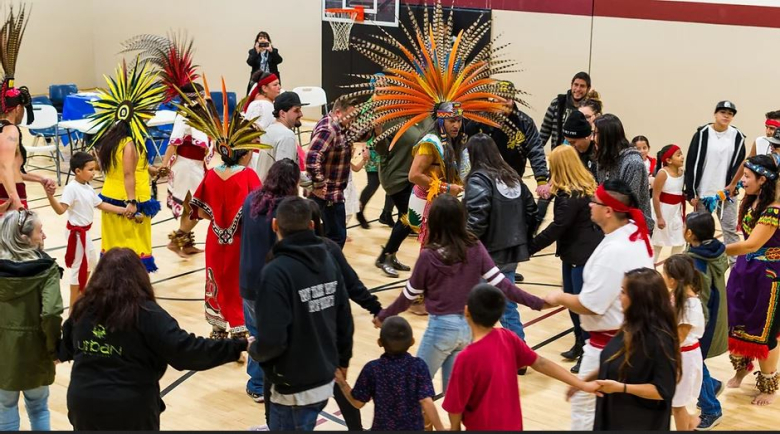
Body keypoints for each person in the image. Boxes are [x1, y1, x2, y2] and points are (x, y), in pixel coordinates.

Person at [376, 195, 550, 394]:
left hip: (440, 329)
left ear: (433, 222)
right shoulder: (474, 247)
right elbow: (503, 284)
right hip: (466, 331)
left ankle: (421, 425)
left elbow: (407, 297)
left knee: (415, 388)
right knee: (454, 394)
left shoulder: (428, 256)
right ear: (462, 219)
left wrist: (383, 315)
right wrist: (536, 302)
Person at [59, 248, 248, 430]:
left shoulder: (82, 310)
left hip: (84, 404)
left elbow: (64, 349)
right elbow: (186, 351)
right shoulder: (146, 313)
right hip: (130, 409)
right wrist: (238, 345)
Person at [544, 179, 655, 430]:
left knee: (586, 417)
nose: (589, 205)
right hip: (627, 342)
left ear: (608, 210)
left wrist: (558, 297)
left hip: (608, 346)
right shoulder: (633, 234)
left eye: (594, 201)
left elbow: (592, 304)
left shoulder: (615, 249)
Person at [249, 196, 354, 431]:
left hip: (291, 389)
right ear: (311, 226)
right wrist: (343, 359)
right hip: (324, 378)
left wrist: (254, 349)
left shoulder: (275, 272)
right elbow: (344, 317)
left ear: (275, 225)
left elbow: (273, 340)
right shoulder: (329, 259)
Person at [443, 284, 598, 431]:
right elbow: (541, 363)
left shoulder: (466, 358)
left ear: (467, 311)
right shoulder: (507, 338)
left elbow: (455, 407)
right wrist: (581, 384)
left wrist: (455, 428)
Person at [121, 32, 211, 258]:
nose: (204, 98)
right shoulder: (184, 116)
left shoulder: (201, 114)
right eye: (200, 95)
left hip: (197, 166)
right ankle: (177, 240)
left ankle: (185, 243)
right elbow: (173, 143)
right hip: (186, 166)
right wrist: (164, 165)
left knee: (193, 206)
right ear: (192, 98)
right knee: (197, 206)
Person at [188, 89, 265, 340]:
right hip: (240, 241)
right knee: (235, 282)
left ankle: (218, 327)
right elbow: (260, 210)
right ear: (243, 153)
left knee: (215, 279)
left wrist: (220, 222)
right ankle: (240, 330)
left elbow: (198, 210)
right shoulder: (248, 176)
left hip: (214, 239)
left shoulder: (211, 174)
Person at [530, 145, 604, 373]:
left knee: (581, 306)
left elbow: (558, 227)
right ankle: (580, 343)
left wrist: (530, 247)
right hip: (574, 254)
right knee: (572, 305)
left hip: (582, 256)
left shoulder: (571, 194)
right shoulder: (577, 187)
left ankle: (588, 351)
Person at [464, 134, 540, 349]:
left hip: (486, 255)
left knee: (474, 305)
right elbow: (532, 212)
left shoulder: (479, 179)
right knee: (507, 306)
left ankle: (478, 352)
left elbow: (477, 220)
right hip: (511, 252)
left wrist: (462, 247)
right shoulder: (511, 176)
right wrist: (521, 239)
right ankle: (519, 354)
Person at [91, 61, 165, 272]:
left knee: (114, 243)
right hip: (130, 197)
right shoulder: (129, 143)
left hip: (111, 194)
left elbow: (137, 167)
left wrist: (153, 170)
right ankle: (131, 283)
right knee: (133, 245)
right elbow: (128, 174)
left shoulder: (114, 138)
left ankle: (113, 280)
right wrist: (131, 203)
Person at [239, 158, 301, 404]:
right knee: (277, 332)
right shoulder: (286, 208)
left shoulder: (251, 198)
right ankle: (267, 381)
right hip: (272, 282)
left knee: (255, 332)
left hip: (246, 277)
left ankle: (256, 384)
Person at [590, 268, 680, 430]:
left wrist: (621, 388)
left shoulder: (660, 339)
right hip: (613, 413)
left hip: (639, 421)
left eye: (624, 292)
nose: (619, 296)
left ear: (639, 299)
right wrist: (582, 382)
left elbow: (663, 390)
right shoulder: (629, 326)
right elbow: (615, 362)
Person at [722, 154, 780, 406]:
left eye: (747, 176)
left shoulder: (774, 210)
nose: (742, 181)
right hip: (745, 272)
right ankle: (742, 367)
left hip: (767, 277)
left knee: (765, 332)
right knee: (735, 321)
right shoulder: (752, 200)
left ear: (762, 179)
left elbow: (752, 244)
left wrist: (714, 248)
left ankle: (768, 383)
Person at [0, 209, 63, 431]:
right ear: (24, 238)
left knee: (5, 408)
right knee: (38, 408)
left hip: (3, 354)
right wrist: (54, 348)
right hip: (35, 350)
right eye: (40, 231)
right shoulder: (47, 270)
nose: (44, 236)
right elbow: (52, 313)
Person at [334, 316, 444, 431]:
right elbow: (426, 401)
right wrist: (440, 428)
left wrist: (342, 382)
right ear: (412, 341)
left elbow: (357, 403)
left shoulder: (372, 369)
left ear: (379, 342)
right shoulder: (419, 366)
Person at [45, 152, 126, 307]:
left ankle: (80, 298)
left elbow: (100, 204)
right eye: (90, 169)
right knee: (79, 267)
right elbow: (61, 210)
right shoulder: (71, 188)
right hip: (76, 234)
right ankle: (73, 307)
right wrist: (50, 197)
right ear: (78, 171)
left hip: (84, 233)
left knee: (90, 263)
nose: (93, 173)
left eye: (94, 169)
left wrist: (123, 211)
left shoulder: (87, 187)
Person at [0, 7, 50, 214]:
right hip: (10, 196)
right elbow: (4, 168)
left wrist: (39, 178)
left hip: (9, 193)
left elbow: (13, 169)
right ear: (18, 108)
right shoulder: (10, 131)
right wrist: (17, 203)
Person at [684, 100, 746, 265]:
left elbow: (740, 164)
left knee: (730, 230)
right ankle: (694, 264)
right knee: (698, 231)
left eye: (730, 114)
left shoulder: (737, 136)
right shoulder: (703, 133)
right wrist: (691, 192)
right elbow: (691, 163)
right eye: (723, 112)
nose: (726, 116)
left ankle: (735, 267)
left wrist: (733, 185)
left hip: (726, 194)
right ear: (715, 114)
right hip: (704, 193)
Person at [683, 211, 729, 430]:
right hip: (717, 315)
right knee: (695, 362)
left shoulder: (697, 263)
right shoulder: (715, 250)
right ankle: (712, 384)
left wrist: (692, 328)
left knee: (693, 362)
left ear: (689, 233)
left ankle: (711, 409)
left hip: (703, 322)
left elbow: (700, 300)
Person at [374, 119, 434, 278]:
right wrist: (378, 134)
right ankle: (386, 257)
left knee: (408, 218)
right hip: (395, 176)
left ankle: (388, 256)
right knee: (410, 217)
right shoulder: (394, 119)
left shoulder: (425, 116)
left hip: (412, 177)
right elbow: (381, 150)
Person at [305, 96, 361, 248]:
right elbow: (311, 157)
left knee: (326, 237)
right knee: (336, 238)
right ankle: (327, 269)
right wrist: (318, 183)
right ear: (338, 112)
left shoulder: (341, 125)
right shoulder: (329, 129)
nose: (353, 120)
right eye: (351, 116)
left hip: (332, 194)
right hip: (327, 195)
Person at [662, 254, 705, 431]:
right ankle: (690, 423)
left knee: (678, 406)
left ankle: (689, 424)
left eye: (663, 273)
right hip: (677, 356)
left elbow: (678, 338)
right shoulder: (675, 296)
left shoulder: (691, 305)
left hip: (685, 358)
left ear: (672, 280)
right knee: (675, 404)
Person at [594, 113, 655, 233]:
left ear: (607, 136)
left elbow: (628, 204)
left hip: (634, 229)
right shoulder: (603, 158)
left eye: (595, 134)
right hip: (610, 225)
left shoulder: (632, 163)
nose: (592, 138)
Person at [254, 91, 308, 182]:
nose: (301, 114)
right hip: (276, 193)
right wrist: (313, 186)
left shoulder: (268, 130)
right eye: (296, 110)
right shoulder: (287, 135)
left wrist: (309, 184)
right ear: (282, 113)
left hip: (263, 191)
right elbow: (285, 174)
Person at [727, 109, 780, 193]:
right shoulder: (759, 141)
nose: (768, 132)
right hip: (757, 193)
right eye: (766, 127)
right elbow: (747, 161)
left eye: (772, 128)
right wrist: (733, 183)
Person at [539, 71, 592, 150]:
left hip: (581, 156)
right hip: (558, 153)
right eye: (576, 85)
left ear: (588, 89)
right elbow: (544, 132)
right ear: (571, 85)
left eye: (582, 86)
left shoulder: (590, 109)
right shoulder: (557, 103)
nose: (578, 89)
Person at [652, 144, 686, 262]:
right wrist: (659, 217)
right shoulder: (663, 173)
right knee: (657, 243)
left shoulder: (682, 172)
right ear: (668, 160)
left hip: (676, 211)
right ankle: (650, 266)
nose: (682, 157)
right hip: (662, 210)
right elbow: (655, 196)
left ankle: (673, 266)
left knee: (679, 241)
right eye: (678, 155)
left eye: (681, 154)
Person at [561, 109, 597, 178]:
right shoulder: (569, 152)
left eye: (573, 142)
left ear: (586, 136)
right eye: (568, 143)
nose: (572, 147)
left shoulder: (598, 153)